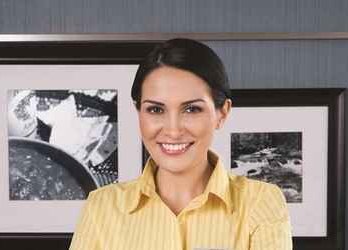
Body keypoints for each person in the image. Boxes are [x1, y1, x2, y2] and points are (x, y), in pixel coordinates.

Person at [69, 38, 292, 250]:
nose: (173, 130)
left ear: (222, 114)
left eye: (191, 109)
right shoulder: (102, 207)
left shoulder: (261, 202)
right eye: (156, 110)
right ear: (139, 113)